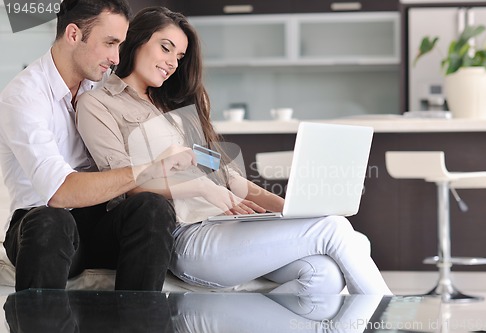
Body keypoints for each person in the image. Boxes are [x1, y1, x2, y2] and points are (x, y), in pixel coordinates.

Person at [76, 6, 392, 295]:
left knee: (324, 272)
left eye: (180, 56)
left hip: (231, 229)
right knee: (334, 231)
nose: (173, 62)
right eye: (165, 47)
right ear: (137, 41)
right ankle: (391, 323)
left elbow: (232, 179)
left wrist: (294, 210)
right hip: (190, 236)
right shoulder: (100, 103)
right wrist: (200, 187)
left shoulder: (177, 110)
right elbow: (124, 182)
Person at [0, 0, 196, 292]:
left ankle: (137, 323)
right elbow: (60, 193)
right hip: (39, 223)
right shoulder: (25, 96)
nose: (116, 58)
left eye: (120, 45)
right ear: (73, 34)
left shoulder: (102, 85)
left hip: (99, 222)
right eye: (110, 43)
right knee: (51, 222)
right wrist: (148, 170)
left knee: (151, 208)